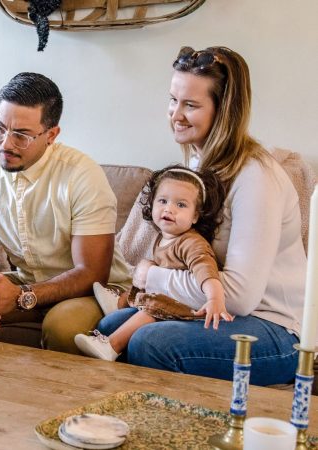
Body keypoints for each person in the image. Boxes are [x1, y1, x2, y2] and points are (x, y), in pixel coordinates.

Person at [95, 46, 306, 385]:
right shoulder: (198, 166)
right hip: (224, 314)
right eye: (173, 100)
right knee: (109, 327)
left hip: (276, 329)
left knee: (152, 342)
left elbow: (239, 296)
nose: (175, 114)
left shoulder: (256, 178)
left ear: (224, 113)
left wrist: (150, 277)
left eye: (190, 105)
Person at [0, 72, 132, 354]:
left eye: (21, 135)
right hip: (26, 282)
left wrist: (21, 297)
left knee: (64, 325)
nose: (5, 143)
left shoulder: (82, 175)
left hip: (95, 292)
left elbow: (91, 273)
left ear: (51, 135)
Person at [75, 165, 232, 361]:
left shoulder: (192, 243)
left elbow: (206, 272)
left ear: (195, 216)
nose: (169, 209)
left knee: (150, 310)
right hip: (166, 298)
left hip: (184, 306)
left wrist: (215, 300)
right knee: (148, 269)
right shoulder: (164, 237)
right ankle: (119, 302)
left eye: (181, 205)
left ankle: (112, 345)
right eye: (163, 201)